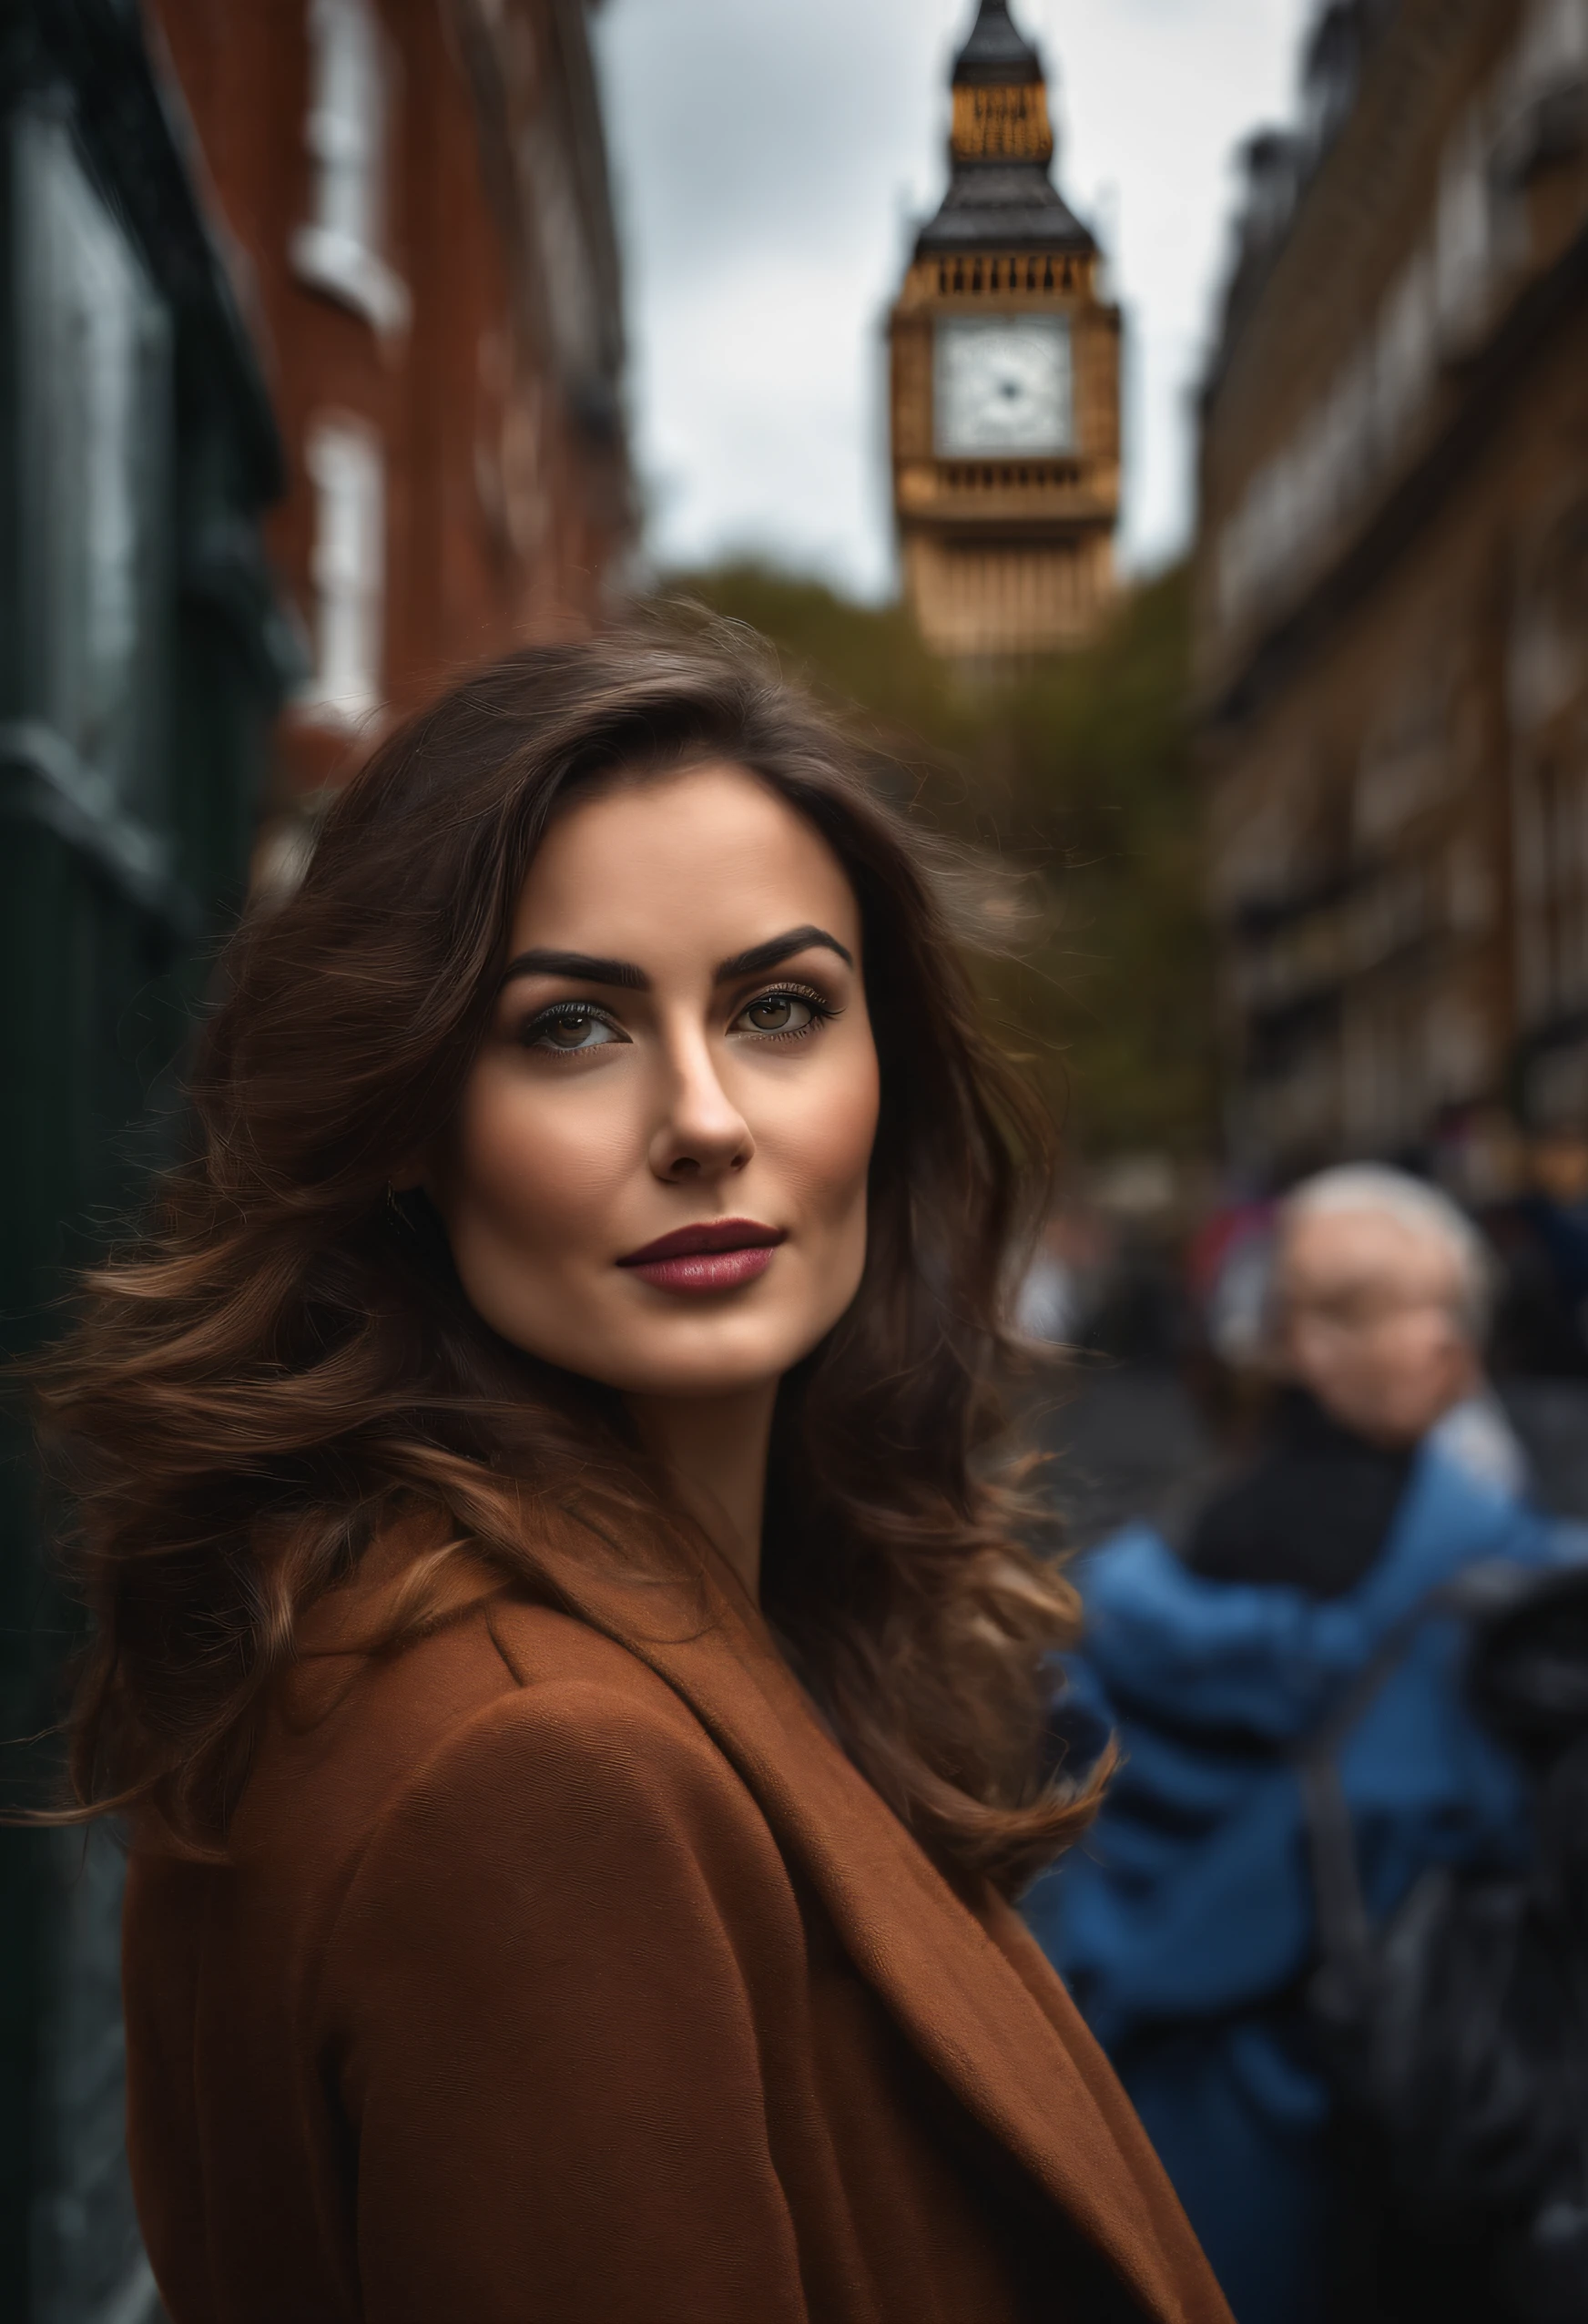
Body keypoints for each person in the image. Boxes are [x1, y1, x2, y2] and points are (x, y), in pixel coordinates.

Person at [35, 629, 1229, 2324]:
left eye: (779, 1008)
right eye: (573, 1026)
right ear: (400, 1126)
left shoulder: (643, 1640)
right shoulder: (535, 1768)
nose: (703, 1116)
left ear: (886, 1079)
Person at [1025, 1165, 1580, 2324]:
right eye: (1429, 1313)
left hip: (1167, 2121)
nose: (1451, 1344)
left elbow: (1061, 1838)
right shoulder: (1512, 1597)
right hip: (1419, 2121)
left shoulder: (1128, 1592)